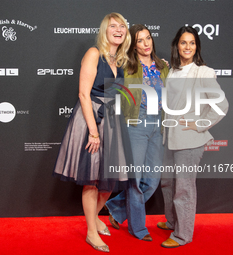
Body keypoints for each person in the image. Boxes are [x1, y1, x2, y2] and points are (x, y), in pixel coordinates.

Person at [53, 13, 131, 253]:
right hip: (91, 120)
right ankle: (90, 232)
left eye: (122, 27)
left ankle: (95, 217)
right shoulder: (94, 53)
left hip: (112, 121)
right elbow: (84, 94)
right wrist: (93, 132)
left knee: (108, 182)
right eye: (113, 26)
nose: (118, 30)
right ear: (105, 30)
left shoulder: (121, 60)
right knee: (92, 180)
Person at [158, 26, 229, 248]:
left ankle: (183, 235)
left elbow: (222, 105)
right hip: (168, 137)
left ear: (196, 46)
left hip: (189, 140)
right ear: (176, 46)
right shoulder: (172, 71)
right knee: (167, 183)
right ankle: (172, 222)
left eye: (192, 43)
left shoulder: (203, 72)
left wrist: (200, 124)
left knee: (184, 188)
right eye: (183, 42)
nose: (187, 47)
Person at [104, 24, 169, 241]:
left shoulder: (163, 67)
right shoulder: (128, 66)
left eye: (148, 38)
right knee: (136, 179)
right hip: (136, 124)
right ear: (133, 44)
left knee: (151, 181)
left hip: (157, 124)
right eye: (140, 40)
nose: (146, 43)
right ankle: (138, 228)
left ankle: (115, 207)